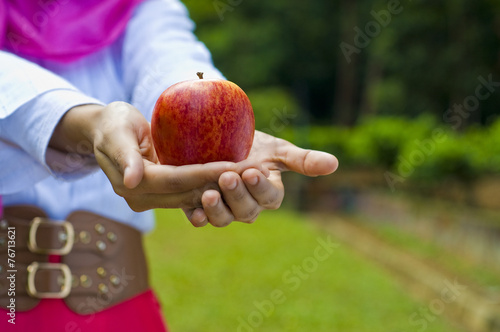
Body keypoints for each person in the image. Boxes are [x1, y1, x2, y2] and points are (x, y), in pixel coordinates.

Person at [0, 0, 338, 331]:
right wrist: (86, 122)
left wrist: (207, 116)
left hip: (118, 307)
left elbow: (169, 56)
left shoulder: (138, 5)